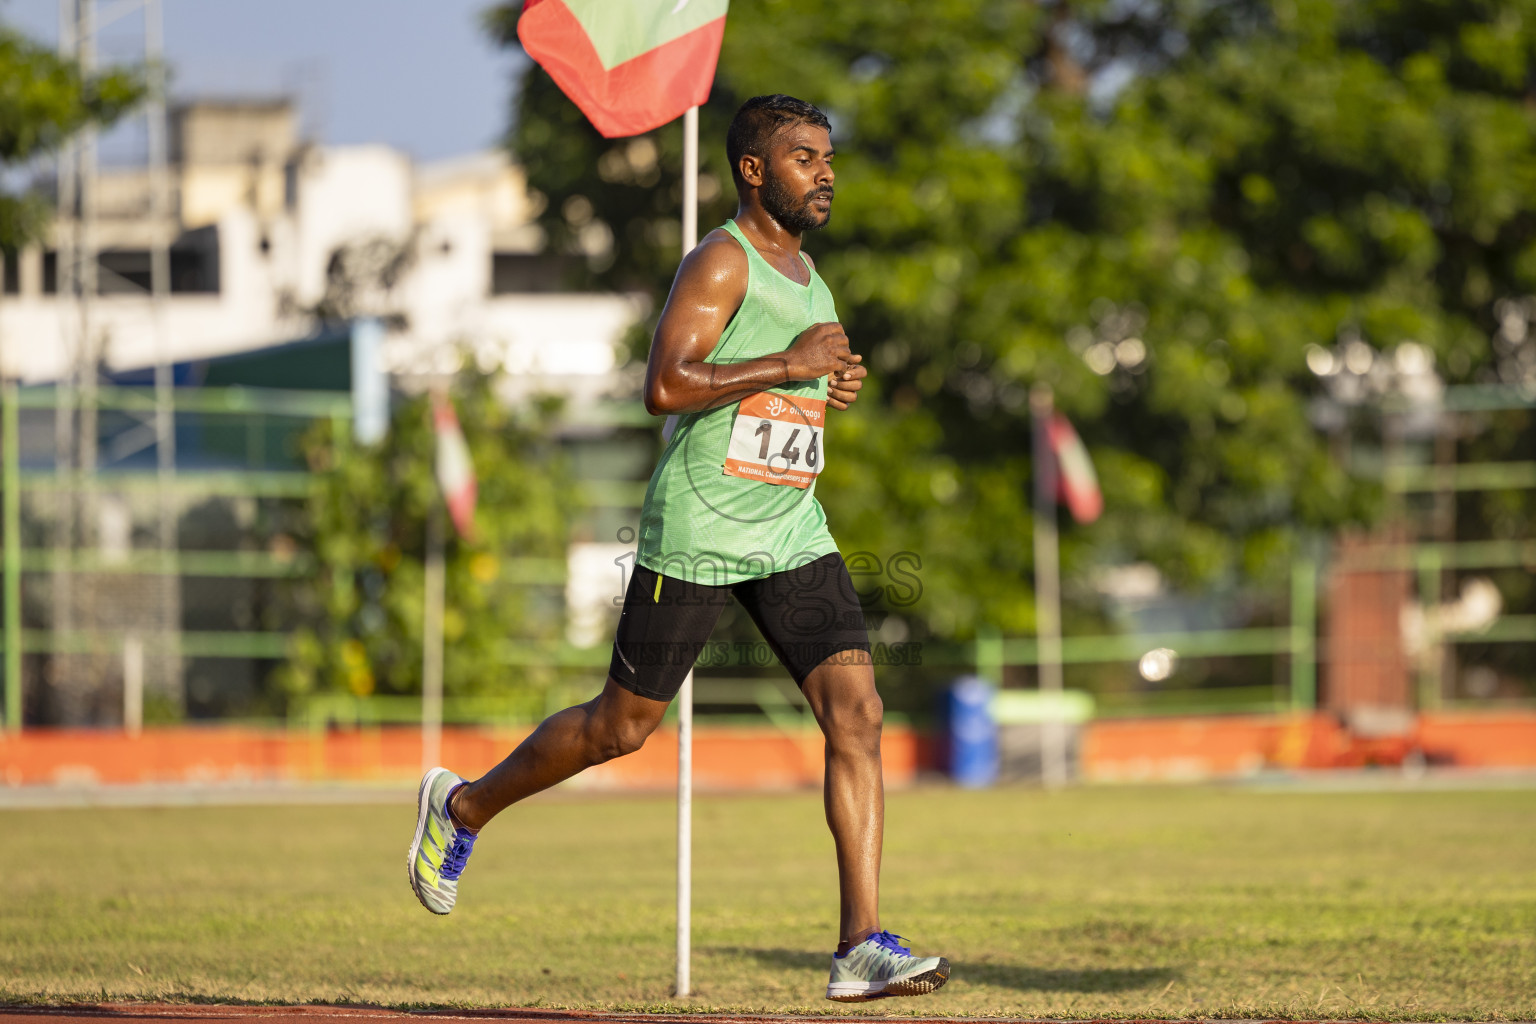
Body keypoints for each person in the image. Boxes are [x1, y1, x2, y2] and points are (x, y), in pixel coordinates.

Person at [406, 93, 950, 1003]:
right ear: (752, 169)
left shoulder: (808, 275)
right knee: (621, 728)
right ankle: (461, 806)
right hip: (700, 530)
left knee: (857, 714)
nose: (825, 173)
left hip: (788, 529)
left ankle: (861, 945)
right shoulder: (720, 262)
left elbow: (785, 385)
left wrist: (824, 382)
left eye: (827, 158)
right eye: (805, 158)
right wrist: (791, 366)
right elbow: (665, 384)